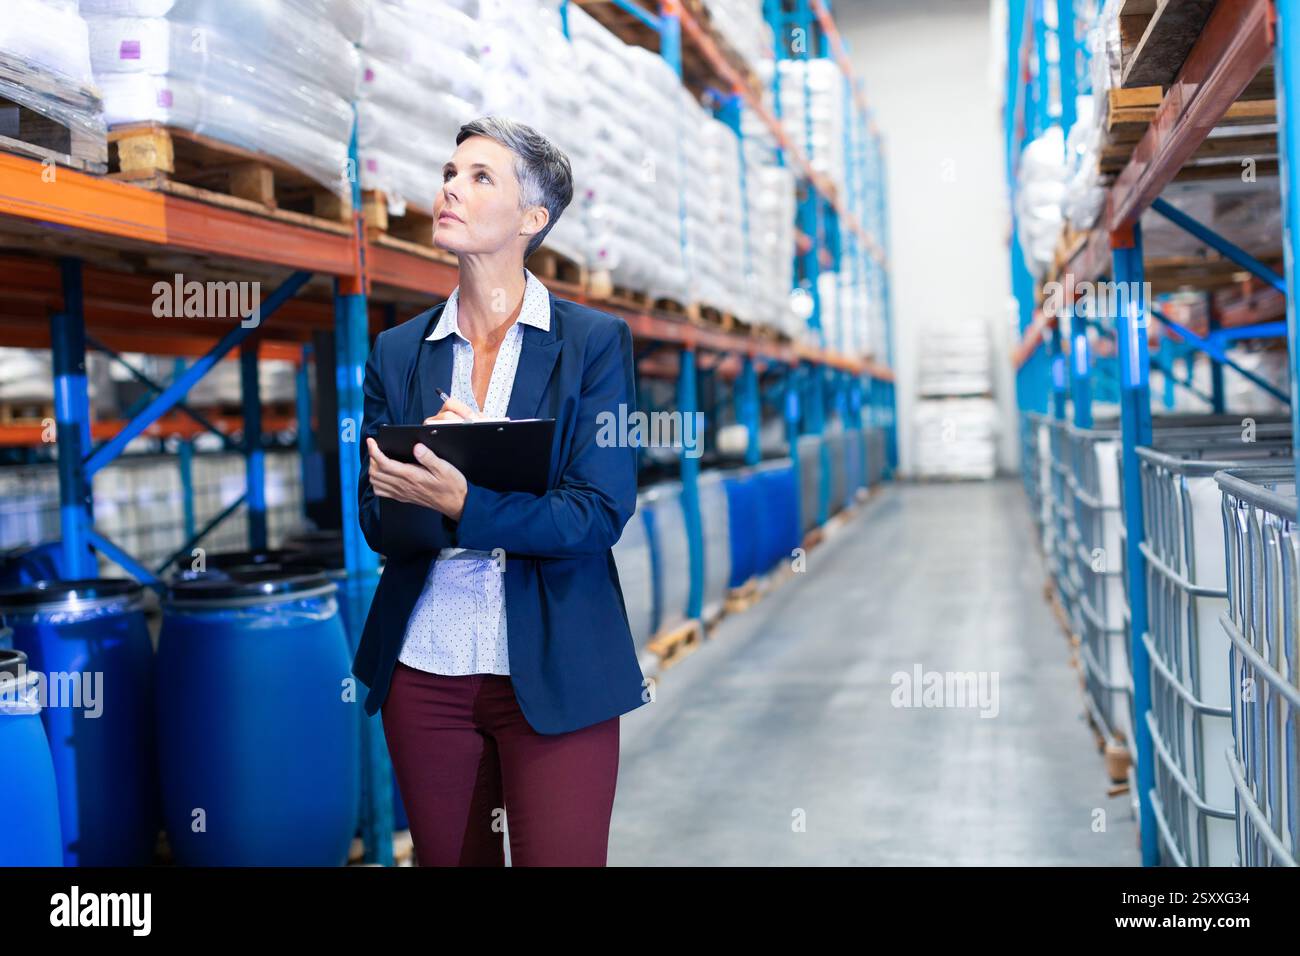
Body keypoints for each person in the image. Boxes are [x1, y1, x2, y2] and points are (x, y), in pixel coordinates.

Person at [350, 116, 650, 866]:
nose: (451, 186)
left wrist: (460, 500)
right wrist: (413, 497)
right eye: (451, 172)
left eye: (481, 176)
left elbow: (597, 511)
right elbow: (377, 520)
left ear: (532, 218)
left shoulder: (593, 345)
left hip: (555, 669)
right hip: (426, 669)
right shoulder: (397, 351)